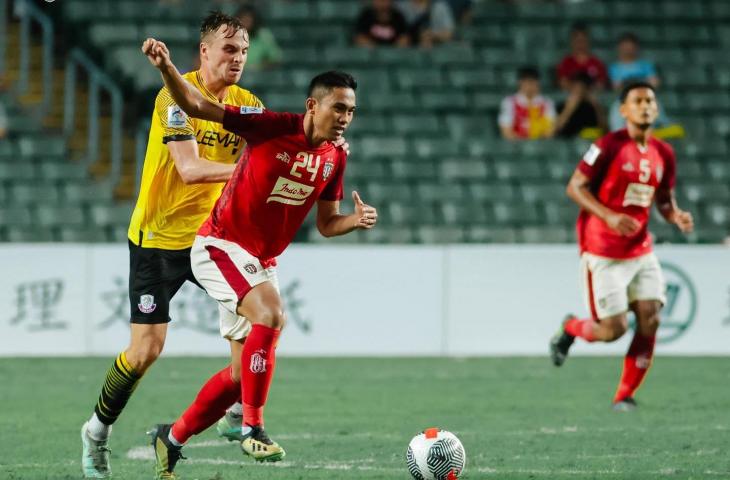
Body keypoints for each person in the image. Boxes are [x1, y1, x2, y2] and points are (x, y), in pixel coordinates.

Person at [142, 38, 377, 478]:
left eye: (351, 111)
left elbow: (327, 224)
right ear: (313, 105)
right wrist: (166, 68)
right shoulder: (269, 125)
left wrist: (355, 220)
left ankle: (170, 437)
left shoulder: (335, 157)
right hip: (220, 244)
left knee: (237, 375)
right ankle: (252, 427)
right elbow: (196, 105)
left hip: (261, 260)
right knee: (271, 314)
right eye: (338, 108)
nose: (345, 119)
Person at [80, 12, 263, 479]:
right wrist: (251, 171)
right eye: (228, 49)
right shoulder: (173, 96)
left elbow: (263, 162)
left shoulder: (248, 105)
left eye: (242, 50)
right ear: (204, 52)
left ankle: (238, 414)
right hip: (157, 239)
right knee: (145, 351)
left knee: (261, 317)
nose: (237, 58)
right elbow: (191, 169)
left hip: (209, 240)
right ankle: (97, 431)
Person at [549, 81, 694, 411]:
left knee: (651, 317)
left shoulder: (664, 153)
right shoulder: (606, 146)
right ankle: (570, 327)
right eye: (637, 101)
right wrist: (609, 216)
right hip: (603, 250)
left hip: (641, 249)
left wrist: (675, 216)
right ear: (624, 110)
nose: (645, 106)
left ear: (656, 110)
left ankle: (623, 395)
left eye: (650, 101)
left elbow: (664, 200)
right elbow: (574, 187)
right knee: (612, 330)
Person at [498, 66, 555, 140]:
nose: (530, 86)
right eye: (528, 82)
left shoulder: (547, 103)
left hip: (541, 145)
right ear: (520, 82)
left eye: (533, 82)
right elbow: (506, 131)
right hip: (516, 146)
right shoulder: (509, 102)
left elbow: (550, 130)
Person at [553, 72, 607, 139]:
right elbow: (556, 130)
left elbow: (604, 129)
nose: (577, 91)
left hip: (588, 142)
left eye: (581, 88)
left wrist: (596, 105)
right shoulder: (562, 106)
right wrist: (569, 109)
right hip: (567, 144)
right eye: (575, 87)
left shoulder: (590, 107)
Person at [557, 23, 608, 91]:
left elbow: (601, 84)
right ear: (572, 42)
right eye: (577, 41)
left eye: (583, 41)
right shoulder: (565, 62)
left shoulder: (597, 63)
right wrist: (578, 91)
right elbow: (563, 83)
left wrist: (585, 92)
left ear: (588, 41)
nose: (580, 44)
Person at [235, 5, 282, 71]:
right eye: (243, 18)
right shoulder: (231, 35)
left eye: (248, 19)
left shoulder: (264, 35)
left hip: (260, 77)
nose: (246, 22)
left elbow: (275, 59)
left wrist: (260, 67)